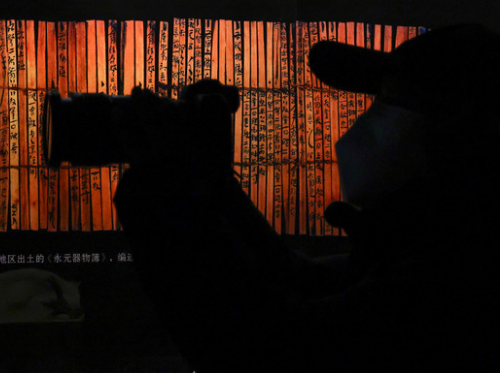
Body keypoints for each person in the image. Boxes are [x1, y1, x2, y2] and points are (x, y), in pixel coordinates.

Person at [112, 24, 500, 372]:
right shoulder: (426, 241)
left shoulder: (457, 270)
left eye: (393, 104)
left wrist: (158, 185)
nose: (366, 123)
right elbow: (296, 277)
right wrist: (212, 180)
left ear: (464, 131)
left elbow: (263, 350)